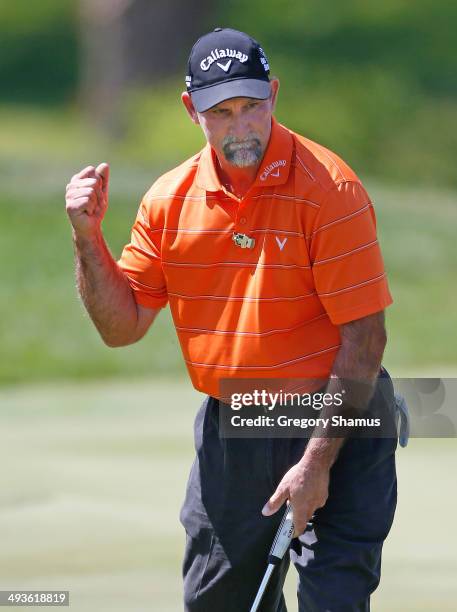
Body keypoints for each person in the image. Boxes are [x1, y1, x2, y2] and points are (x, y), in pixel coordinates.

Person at [65, 27, 399, 612]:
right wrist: (88, 239)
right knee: (215, 602)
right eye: (222, 112)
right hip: (236, 424)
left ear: (275, 93)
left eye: (253, 107)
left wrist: (317, 462)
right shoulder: (169, 200)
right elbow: (123, 327)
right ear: (192, 109)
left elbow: (365, 338)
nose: (242, 127)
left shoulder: (330, 188)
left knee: (335, 598)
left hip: (339, 418)